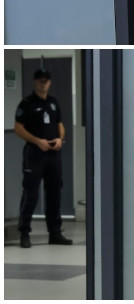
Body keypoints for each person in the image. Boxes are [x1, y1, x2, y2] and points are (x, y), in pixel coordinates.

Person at [14, 69, 74, 248]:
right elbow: (18, 128)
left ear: (50, 82)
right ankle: (24, 232)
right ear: (35, 82)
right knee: (30, 193)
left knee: (54, 192)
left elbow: (60, 124)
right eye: (40, 80)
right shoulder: (27, 104)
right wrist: (37, 141)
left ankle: (55, 232)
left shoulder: (53, 102)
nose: (43, 83)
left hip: (53, 154)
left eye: (46, 80)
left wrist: (60, 139)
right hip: (34, 153)